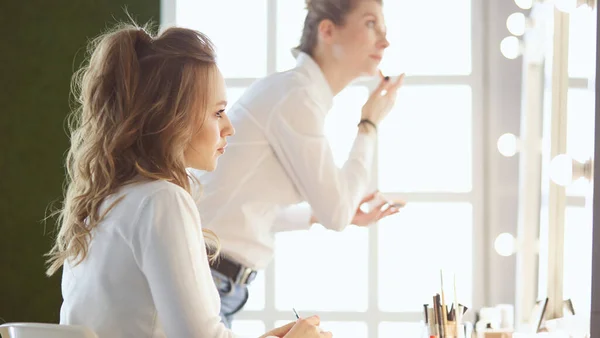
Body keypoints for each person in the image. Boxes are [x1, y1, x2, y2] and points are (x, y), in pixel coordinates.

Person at [45, 21, 332, 338]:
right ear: (172, 117)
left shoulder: (102, 205)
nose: (229, 128)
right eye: (218, 112)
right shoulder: (161, 200)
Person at [194, 0, 405, 327]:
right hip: (208, 278)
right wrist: (369, 124)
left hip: (218, 280)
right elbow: (338, 213)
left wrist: (316, 215)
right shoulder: (296, 96)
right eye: (370, 24)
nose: (385, 40)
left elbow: (250, 205)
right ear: (328, 31)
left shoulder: (295, 92)